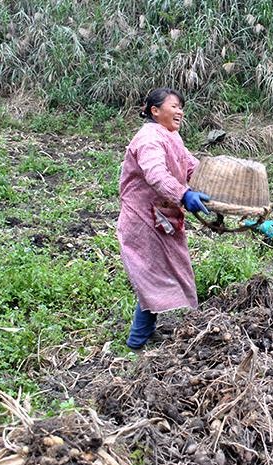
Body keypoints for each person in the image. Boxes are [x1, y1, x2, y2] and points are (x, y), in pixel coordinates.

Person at [117, 87, 211, 350]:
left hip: (163, 216)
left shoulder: (171, 136)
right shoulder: (148, 138)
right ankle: (137, 342)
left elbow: (189, 165)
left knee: (165, 272)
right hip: (143, 219)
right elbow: (156, 174)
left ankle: (145, 333)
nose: (180, 111)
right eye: (174, 106)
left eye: (181, 106)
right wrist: (184, 195)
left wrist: (216, 177)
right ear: (155, 111)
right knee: (151, 275)